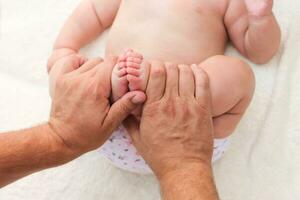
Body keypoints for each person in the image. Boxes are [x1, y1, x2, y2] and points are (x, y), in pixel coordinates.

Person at [0, 56, 219, 199]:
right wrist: (185, 165)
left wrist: (59, 136)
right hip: (184, 137)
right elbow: (93, 13)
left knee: (231, 72)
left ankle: (123, 90)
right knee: (64, 67)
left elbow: (253, 47)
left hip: (101, 128)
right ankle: (124, 92)